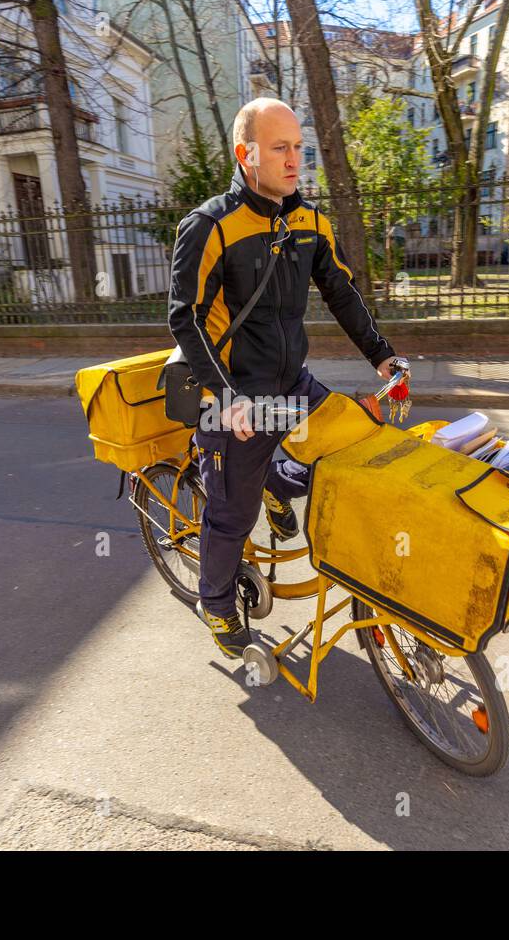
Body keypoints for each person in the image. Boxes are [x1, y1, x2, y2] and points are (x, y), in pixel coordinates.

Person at [167, 97, 405, 659]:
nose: (295, 159)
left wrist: (384, 356)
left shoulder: (308, 222)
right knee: (231, 516)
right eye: (280, 148)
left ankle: (275, 478)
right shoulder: (210, 226)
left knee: (353, 447)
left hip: (292, 384)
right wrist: (226, 401)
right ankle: (218, 603)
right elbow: (185, 318)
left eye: (299, 147)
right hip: (230, 399)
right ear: (244, 154)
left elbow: (343, 292)